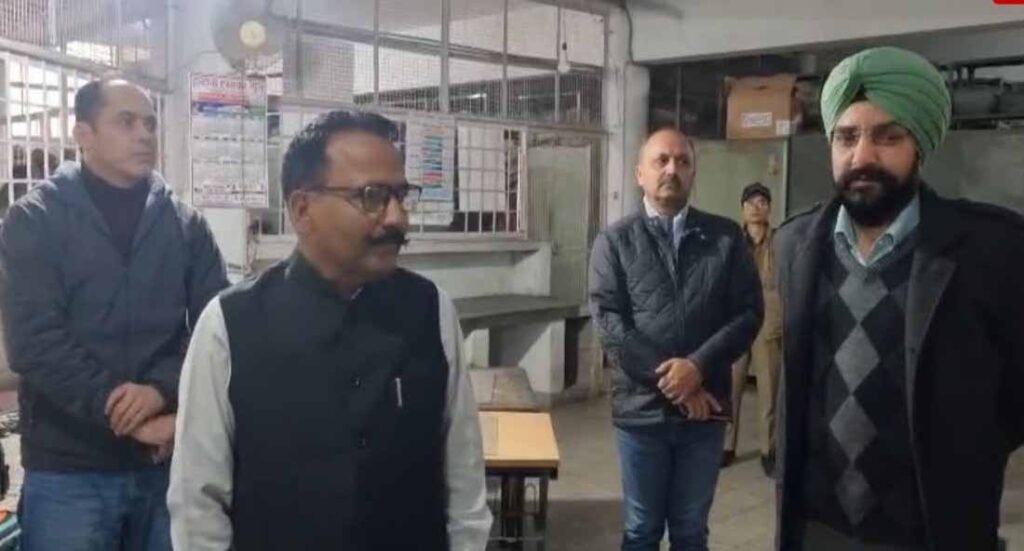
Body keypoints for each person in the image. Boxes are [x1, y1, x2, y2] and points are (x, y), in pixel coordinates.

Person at [168, 110, 492, 550]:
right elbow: (198, 503)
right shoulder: (229, 326)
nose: (397, 218)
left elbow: (465, 478)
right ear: (303, 210)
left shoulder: (430, 311)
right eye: (373, 196)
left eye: (401, 195)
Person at [774, 46, 1024, 551]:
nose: (862, 156)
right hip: (817, 530)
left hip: (929, 533)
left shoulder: (991, 249)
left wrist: (963, 451)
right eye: (847, 137)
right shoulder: (794, 245)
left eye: (888, 136)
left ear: (920, 146)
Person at [0, 77, 228, 550]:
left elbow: (216, 330)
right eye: (126, 122)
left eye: (149, 124)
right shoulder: (35, 220)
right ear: (83, 134)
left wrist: (162, 392)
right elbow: (36, 341)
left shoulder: (185, 226)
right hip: (70, 468)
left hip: (165, 461)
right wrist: (124, 413)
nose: (144, 134)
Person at [589, 128, 763, 551]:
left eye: (682, 161)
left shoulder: (725, 238)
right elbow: (610, 323)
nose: (672, 169)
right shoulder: (615, 242)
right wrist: (678, 383)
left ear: (693, 174)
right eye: (661, 161)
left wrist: (698, 367)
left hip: (704, 417)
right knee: (641, 530)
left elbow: (748, 313)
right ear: (640, 174)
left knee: (690, 531)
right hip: (641, 413)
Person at [723, 182, 783, 476]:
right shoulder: (732, 243)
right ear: (742, 209)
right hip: (736, 322)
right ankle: (726, 446)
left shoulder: (780, 243)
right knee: (729, 388)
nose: (756, 208)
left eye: (762, 202)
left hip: (769, 325)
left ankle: (768, 450)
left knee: (769, 390)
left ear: (769, 208)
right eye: (750, 203)